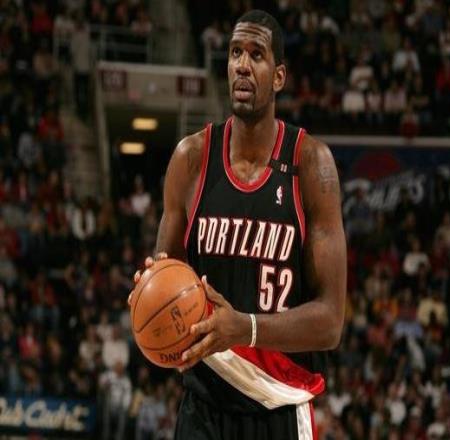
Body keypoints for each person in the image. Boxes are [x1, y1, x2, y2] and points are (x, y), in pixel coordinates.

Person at [128, 10, 346, 440]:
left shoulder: (310, 164)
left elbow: (330, 322)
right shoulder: (191, 160)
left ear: (278, 76)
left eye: (256, 55)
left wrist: (245, 328)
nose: (242, 65)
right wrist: (149, 289)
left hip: (278, 406)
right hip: (202, 410)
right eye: (234, 53)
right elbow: (167, 278)